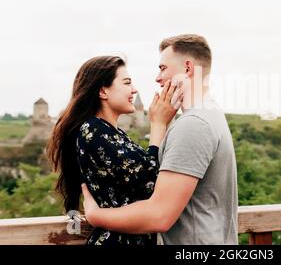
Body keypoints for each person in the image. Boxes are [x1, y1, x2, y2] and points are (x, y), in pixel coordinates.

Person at [82, 34, 239, 244]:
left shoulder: (193, 124)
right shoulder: (211, 114)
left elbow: (159, 215)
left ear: (188, 68)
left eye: (163, 68)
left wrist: (95, 215)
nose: (157, 78)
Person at [47, 55, 181, 245]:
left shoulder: (112, 132)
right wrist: (158, 125)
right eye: (127, 83)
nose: (134, 90)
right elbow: (149, 184)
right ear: (103, 91)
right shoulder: (93, 130)